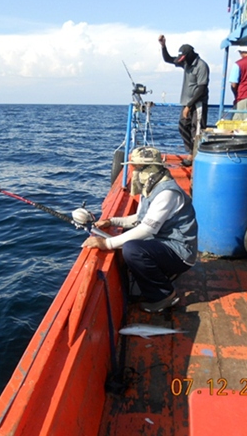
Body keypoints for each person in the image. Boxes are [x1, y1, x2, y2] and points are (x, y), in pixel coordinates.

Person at [81, 146, 198, 313]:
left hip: (181, 252)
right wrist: (112, 221)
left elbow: (146, 229)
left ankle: (165, 296)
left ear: (150, 168)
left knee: (133, 249)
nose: (133, 171)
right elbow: (139, 217)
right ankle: (156, 280)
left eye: (136, 167)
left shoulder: (167, 193)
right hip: (164, 242)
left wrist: (107, 243)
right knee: (131, 245)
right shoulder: (152, 186)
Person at [158, 36, 209, 166]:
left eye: (184, 58)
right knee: (182, 126)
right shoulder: (185, 62)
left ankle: (196, 159)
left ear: (190, 55)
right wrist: (163, 46)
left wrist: (189, 105)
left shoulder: (201, 66)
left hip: (197, 104)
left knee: (196, 130)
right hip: (186, 103)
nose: (183, 61)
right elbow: (168, 59)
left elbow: (202, 88)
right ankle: (191, 153)